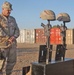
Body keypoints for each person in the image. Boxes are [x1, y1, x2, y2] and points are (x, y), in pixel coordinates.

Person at [0, 1, 20, 75]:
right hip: (2, 45)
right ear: (3, 9)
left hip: (12, 44)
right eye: (7, 9)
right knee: (0, 63)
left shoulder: (13, 19)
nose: (9, 11)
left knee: (12, 62)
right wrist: (7, 38)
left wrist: (14, 37)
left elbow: (17, 30)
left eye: (10, 10)